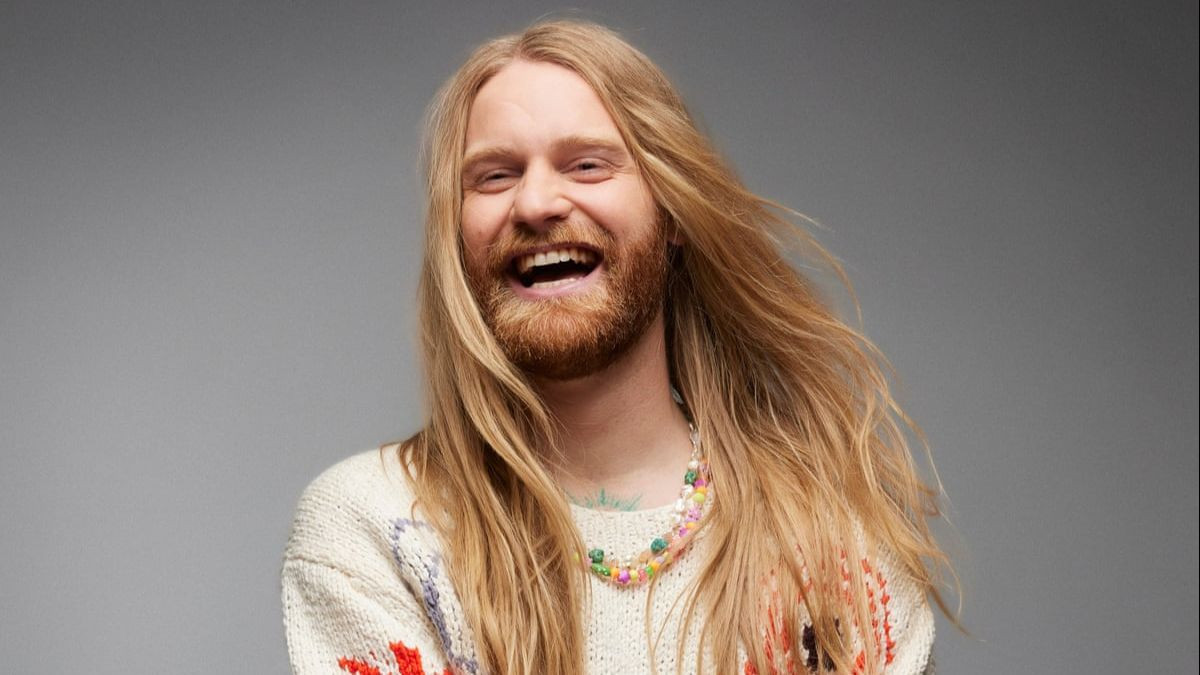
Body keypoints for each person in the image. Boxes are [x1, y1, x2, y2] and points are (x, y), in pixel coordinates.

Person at [282, 19, 953, 675]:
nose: (536, 202)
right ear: (456, 236)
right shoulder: (371, 527)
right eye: (494, 176)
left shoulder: (838, 544)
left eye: (587, 165)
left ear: (673, 212)